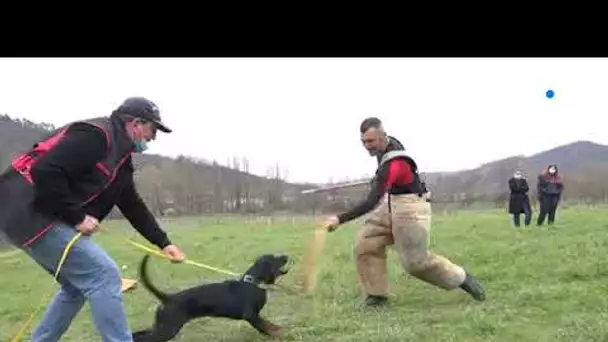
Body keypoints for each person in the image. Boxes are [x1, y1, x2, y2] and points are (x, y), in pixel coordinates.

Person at [0, 97, 186, 342]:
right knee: (105, 275)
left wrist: (164, 242)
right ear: (136, 123)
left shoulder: (121, 161)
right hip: (28, 211)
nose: (153, 137)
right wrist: (76, 217)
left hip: (28, 215)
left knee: (76, 288)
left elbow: (132, 205)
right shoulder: (96, 136)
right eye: (153, 130)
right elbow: (44, 170)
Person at [320, 117, 486, 308]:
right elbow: (383, 183)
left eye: (371, 141)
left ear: (383, 136)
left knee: (415, 263)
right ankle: (377, 297)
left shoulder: (394, 163)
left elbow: (372, 201)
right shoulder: (386, 146)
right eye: (363, 142)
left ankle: (461, 278)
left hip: (411, 207)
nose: (367, 146)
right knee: (365, 243)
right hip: (392, 202)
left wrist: (339, 219)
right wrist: (379, 181)